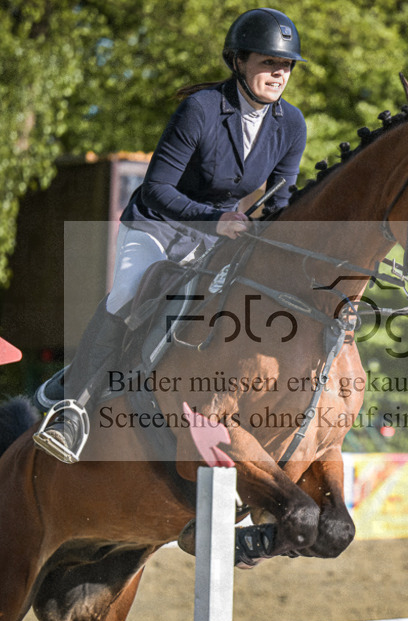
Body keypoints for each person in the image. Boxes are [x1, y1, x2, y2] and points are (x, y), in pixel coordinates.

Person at [31, 8, 308, 464]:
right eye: (267, 62)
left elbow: (280, 199)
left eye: (286, 65)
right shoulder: (200, 110)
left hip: (214, 237)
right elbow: (157, 189)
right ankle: (71, 408)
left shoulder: (290, 125)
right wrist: (215, 218)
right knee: (126, 294)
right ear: (238, 61)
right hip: (157, 226)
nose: (279, 73)